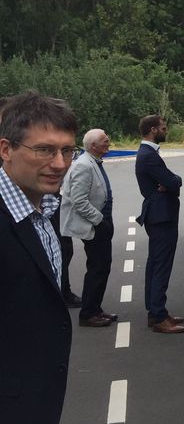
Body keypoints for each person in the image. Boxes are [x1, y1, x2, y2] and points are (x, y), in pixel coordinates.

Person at [0, 91, 79, 424]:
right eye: (45, 150)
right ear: (6, 149)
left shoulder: (41, 210)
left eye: (67, 150)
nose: (60, 163)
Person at [60, 129, 117, 328]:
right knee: (98, 268)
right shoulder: (84, 166)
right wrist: (99, 221)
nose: (108, 142)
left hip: (99, 223)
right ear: (93, 146)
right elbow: (79, 200)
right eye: (104, 140)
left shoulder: (91, 162)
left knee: (102, 266)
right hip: (94, 225)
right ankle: (89, 313)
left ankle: (95, 308)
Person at [134, 114, 184, 334]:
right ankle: (158, 316)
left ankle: (156, 311)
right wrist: (173, 182)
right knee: (161, 266)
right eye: (164, 128)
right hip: (162, 216)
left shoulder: (147, 154)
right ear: (153, 130)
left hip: (157, 215)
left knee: (155, 264)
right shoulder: (149, 156)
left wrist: (171, 182)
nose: (166, 131)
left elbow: (170, 182)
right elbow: (173, 181)